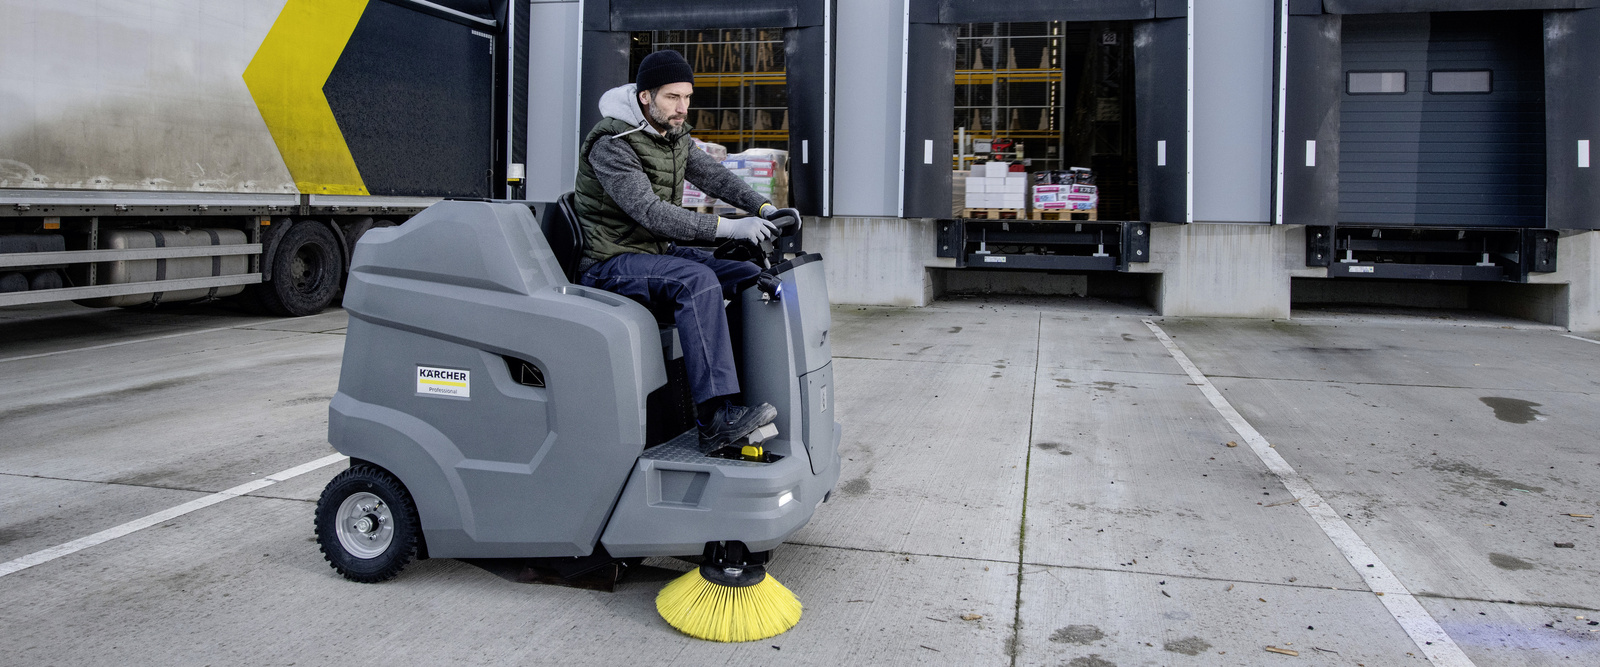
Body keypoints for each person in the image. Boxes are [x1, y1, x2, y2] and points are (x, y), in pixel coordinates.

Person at [573, 49, 792, 451]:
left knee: (746, 277)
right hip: (610, 261)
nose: (682, 108)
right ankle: (714, 418)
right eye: (673, 97)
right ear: (645, 97)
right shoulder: (612, 143)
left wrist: (765, 209)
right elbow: (652, 213)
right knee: (697, 281)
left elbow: (715, 176)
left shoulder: (672, 135)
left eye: (687, 97)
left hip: (653, 254)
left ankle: (743, 392)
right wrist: (729, 226)